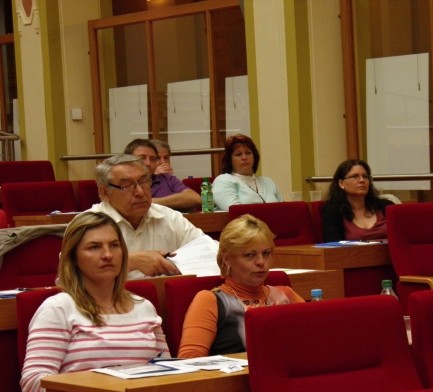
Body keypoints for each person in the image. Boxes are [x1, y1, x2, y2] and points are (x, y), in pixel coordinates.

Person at [20, 212, 169, 392]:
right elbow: (33, 385)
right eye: (94, 247)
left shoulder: (144, 307)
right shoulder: (58, 309)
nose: (107, 255)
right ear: (73, 257)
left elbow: (168, 373)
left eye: (114, 245)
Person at [178, 214, 304, 358]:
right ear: (227, 259)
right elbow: (189, 360)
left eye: (266, 253)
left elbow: (316, 339)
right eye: (250, 255)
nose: (261, 262)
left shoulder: (286, 295)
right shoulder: (209, 300)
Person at [90, 154, 207, 278]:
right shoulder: (89, 225)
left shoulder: (170, 217)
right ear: (104, 192)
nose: (140, 192)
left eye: (143, 182)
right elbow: (78, 272)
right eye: (127, 186)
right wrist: (130, 261)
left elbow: (207, 250)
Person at [322, 159, 398, 242]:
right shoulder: (333, 211)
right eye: (354, 176)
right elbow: (333, 244)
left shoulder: (386, 206)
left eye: (365, 176)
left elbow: (402, 236)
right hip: (351, 251)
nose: (362, 180)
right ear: (341, 183)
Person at [124, 138, 201, 212]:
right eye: (142, 158)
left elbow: (195, 198)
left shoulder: (167, 178)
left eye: (152, 159)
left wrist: (149, 202)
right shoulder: (122, 182)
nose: (148, 163)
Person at [212, 134, 282, 211]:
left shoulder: (268, 182)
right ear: (229, 160)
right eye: (238, 154)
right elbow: (236, 213)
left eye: (248, 153)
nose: (244, 157)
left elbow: (284, 210)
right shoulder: (223, 181)